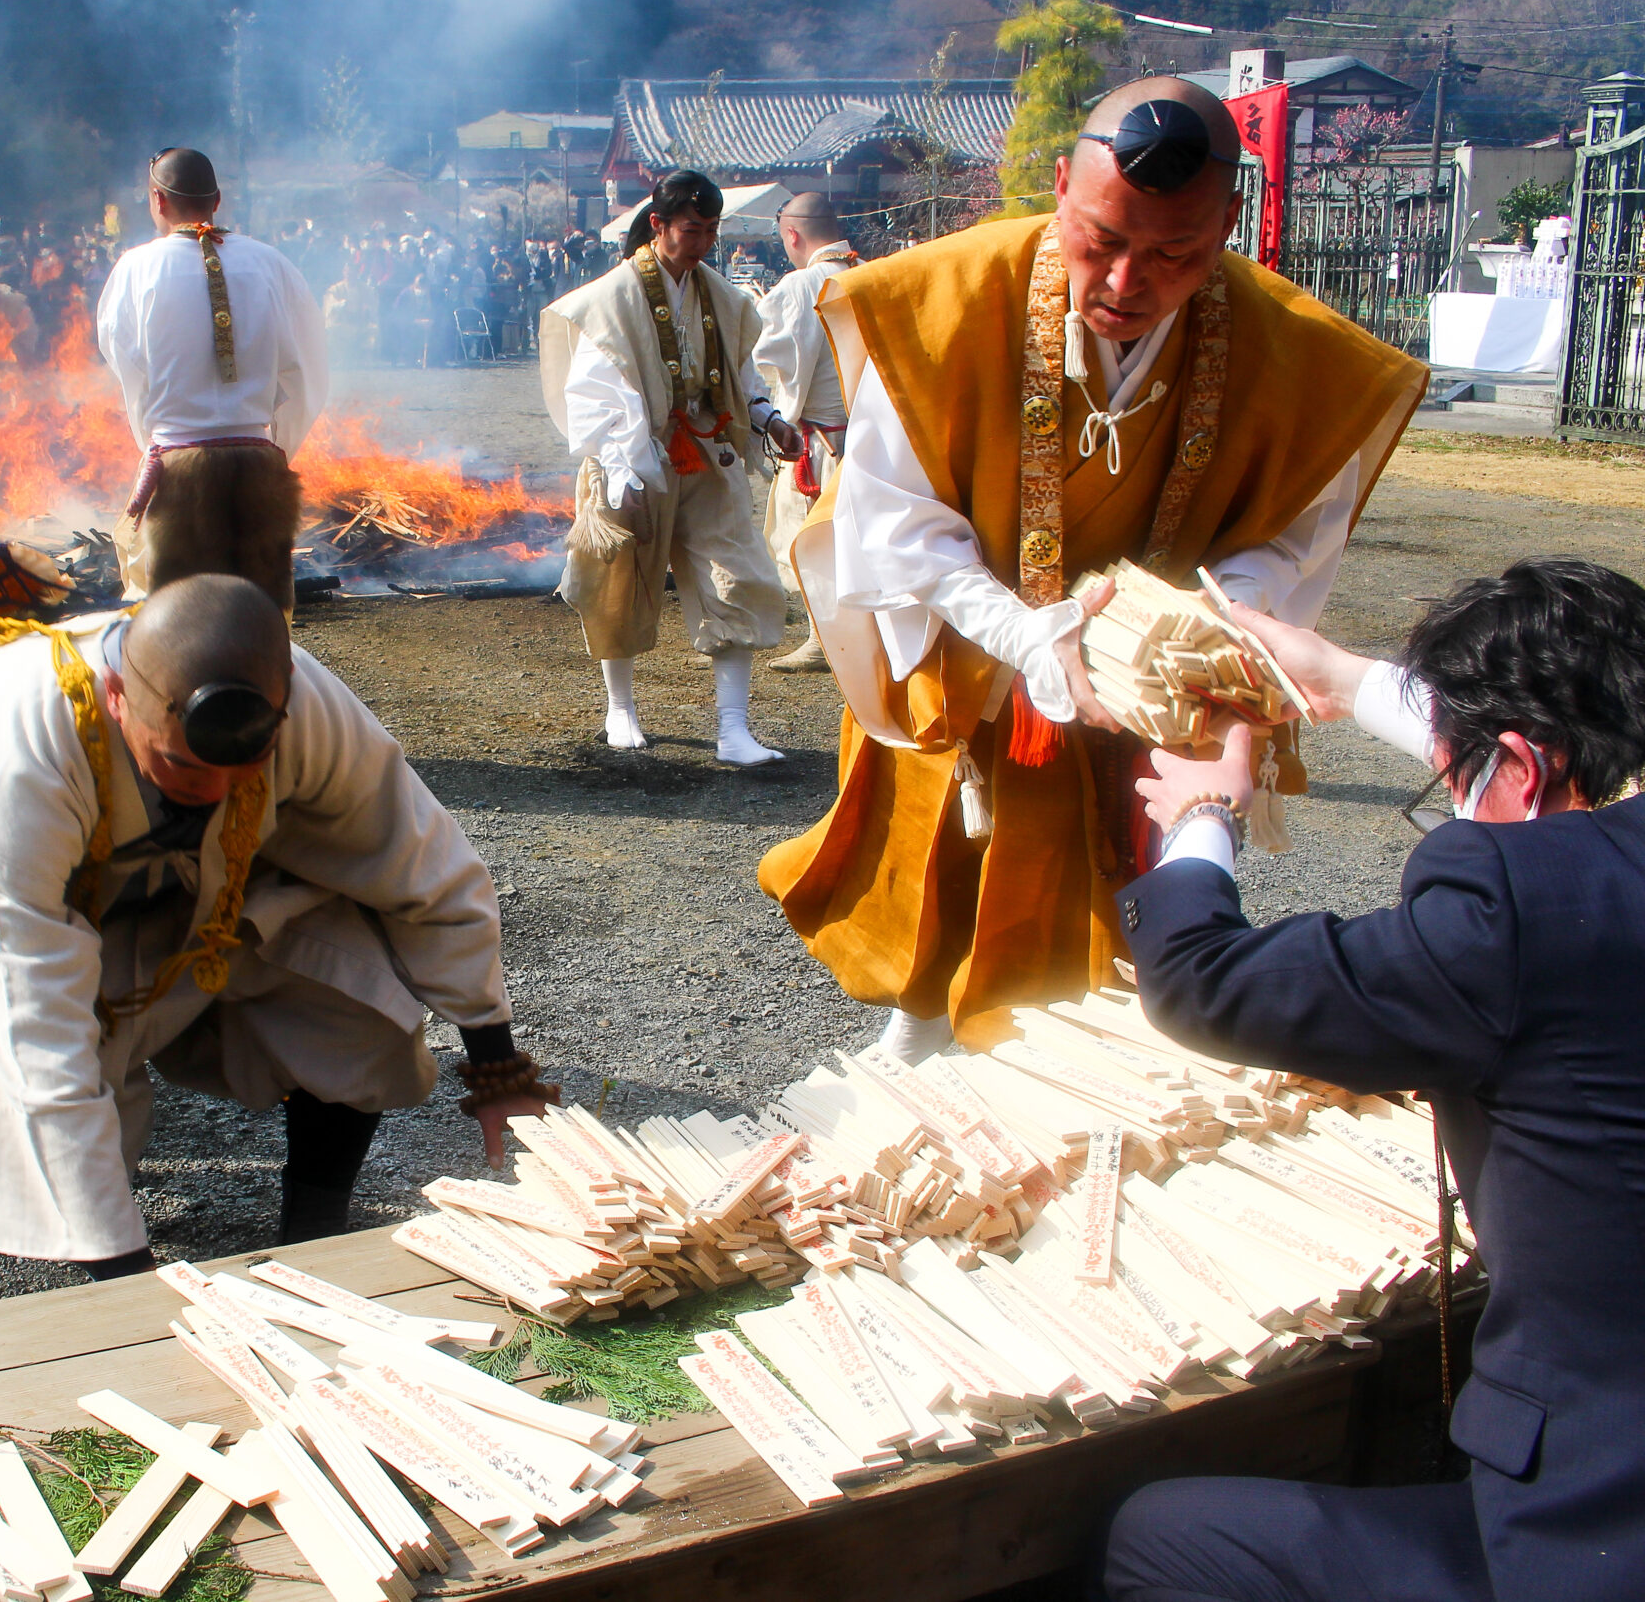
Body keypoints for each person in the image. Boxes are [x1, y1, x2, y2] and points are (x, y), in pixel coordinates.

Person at [1102, 557, 1645, 1602]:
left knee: (1164, 1538)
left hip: (1640, 1535)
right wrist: (1342, 679)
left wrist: (1200, 818)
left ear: (1521, 771)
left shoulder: (1524, 907)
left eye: (1451, 787)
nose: (1452, 808)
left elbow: (1205, 984)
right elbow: (1524, 770)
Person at [759, 78, 1428, 1059]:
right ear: (1061, 184)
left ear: (1228, 225)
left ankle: (1091, 1074)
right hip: (984, 649)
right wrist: (1027, 636)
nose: (1123, 285)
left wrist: (1196, 624)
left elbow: (1294, 533)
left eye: (1173, 255)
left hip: (1158, 681)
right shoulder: (940, 301)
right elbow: (890, 518)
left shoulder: (1291, 346)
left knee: (1128, 892)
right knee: (947, 872)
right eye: (1099, 241)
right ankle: (914, 1047)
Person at [0, 574, 560, 1271]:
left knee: (357, 997)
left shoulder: (301, 702)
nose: (217, 793)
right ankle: (103, 1256)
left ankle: (319, 1231)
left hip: (195, 916)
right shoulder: (13, 761)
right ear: (119, 694)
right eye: (184, 771)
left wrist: (496, 1062)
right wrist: (127, 1274)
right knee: (54, 1136)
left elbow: (420, 860)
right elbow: (27, 1026)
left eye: (242, 771)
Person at [539, 169, 799, 766]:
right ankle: (621, 707)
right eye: (691, 229)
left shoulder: (726, 298)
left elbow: (742, 376)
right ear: (658, 225)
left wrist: (768, 419)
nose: (703, 241)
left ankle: (734, 730)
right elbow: (595, 393)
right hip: (633, 454)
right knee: (619, 580)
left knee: (737, 573)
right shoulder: (611, 298)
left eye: (710, 230)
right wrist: (622, 467)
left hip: (707, 453)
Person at [97, 148, 327, 612]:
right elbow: (306, 369)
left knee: (169, 626)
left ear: (158, 201)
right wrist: (276, 448)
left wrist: (157, 443)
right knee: (262, 618)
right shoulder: (271, 264)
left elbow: (128, 370)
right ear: (217, 199)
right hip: (260, 472)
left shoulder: (136, 268)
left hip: (179, 472)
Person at [752, 193, 863, 674]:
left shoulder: (800, 286)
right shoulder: (873, 272)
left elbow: (768, 358)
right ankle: (855, 637)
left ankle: (825, 639)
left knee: (812, 539)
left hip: (821, 441)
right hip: (870, 434)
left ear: (792, 235)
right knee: (856, 537)